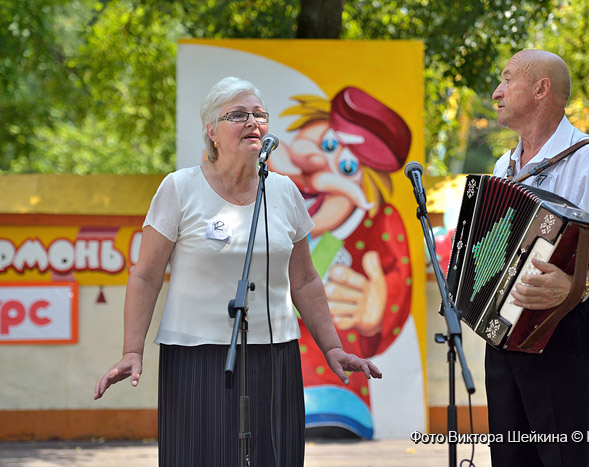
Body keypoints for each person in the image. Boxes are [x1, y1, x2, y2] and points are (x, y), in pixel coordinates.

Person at [93, 76, 382, 466]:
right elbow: (145, 274)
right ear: (212, 131)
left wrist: (332, 346)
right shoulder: (179, 188)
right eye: (238, 115)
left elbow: (305, 280)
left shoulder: (284, 192)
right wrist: (132, 349)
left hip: (275, 353)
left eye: (259, 114)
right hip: (195, 355)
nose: (253, 122)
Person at [486, 49, 589, 466]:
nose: (497, 92)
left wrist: (574, 287)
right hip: (504, 333)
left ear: (540, 89)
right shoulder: (504, 165)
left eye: (506, 79)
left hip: (566, 332)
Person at [268, 87, 414, 438]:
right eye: (327, 145)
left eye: (346, 167)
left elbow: (396, 277)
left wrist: (376, 308)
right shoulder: (257, 200)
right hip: (258, 376)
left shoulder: (377, 226)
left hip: (330, 394)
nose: (320, 165)